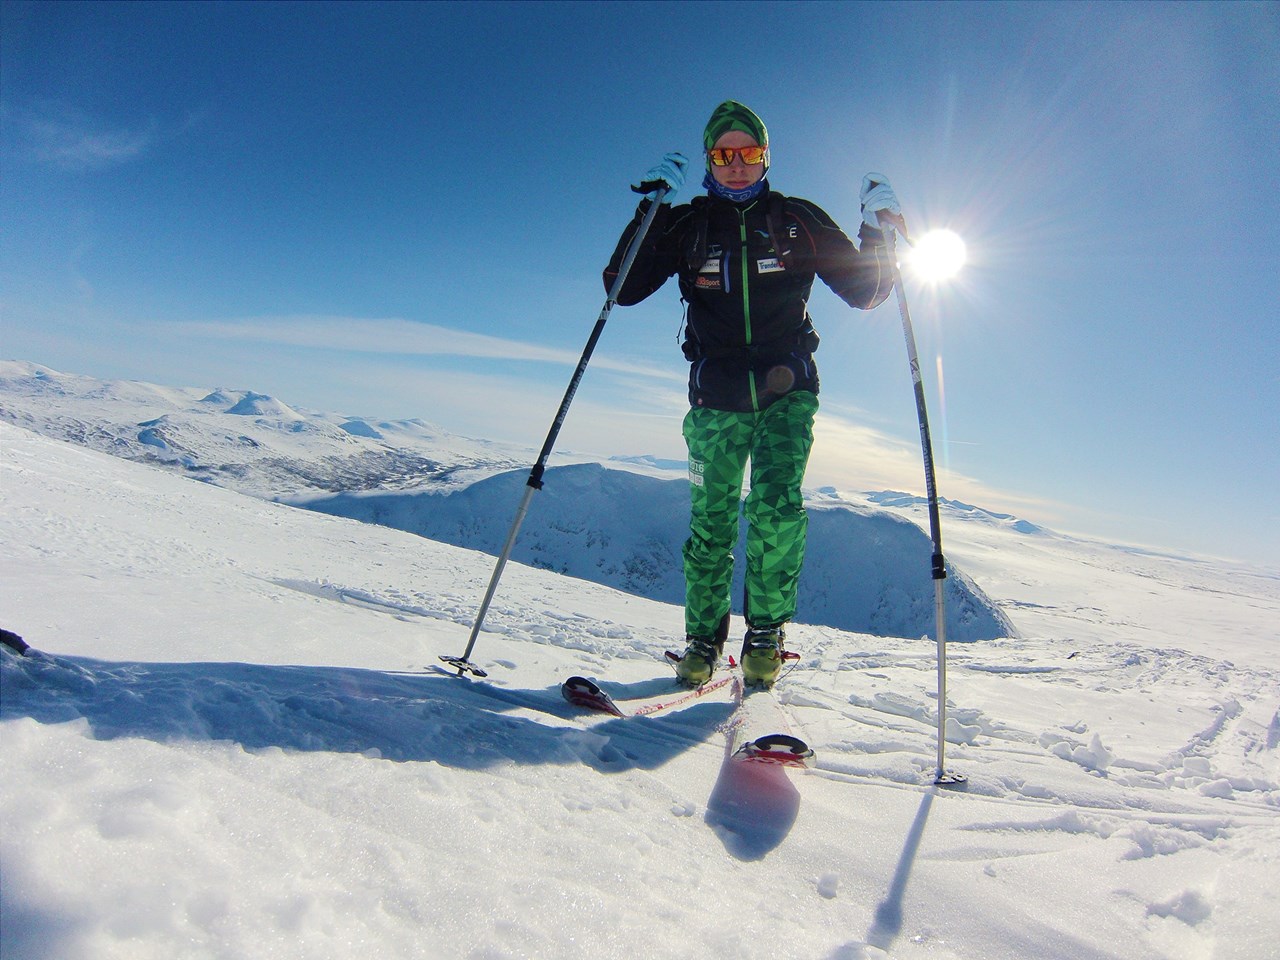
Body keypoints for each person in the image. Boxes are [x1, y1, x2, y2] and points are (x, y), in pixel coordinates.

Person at [604, 100, 901, 687]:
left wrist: (878, 229)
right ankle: (701, 641)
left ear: (766, 157)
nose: (737, 165)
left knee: (775, 514)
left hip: (787, 392)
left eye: (749, 153)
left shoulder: (797, 219)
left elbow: (866, 293)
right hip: (714, 396)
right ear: (711, 159)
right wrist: (651, 210)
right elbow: (622, 287)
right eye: (724, 153)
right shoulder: (687, 224)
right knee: (711, 521)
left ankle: (764, 636)